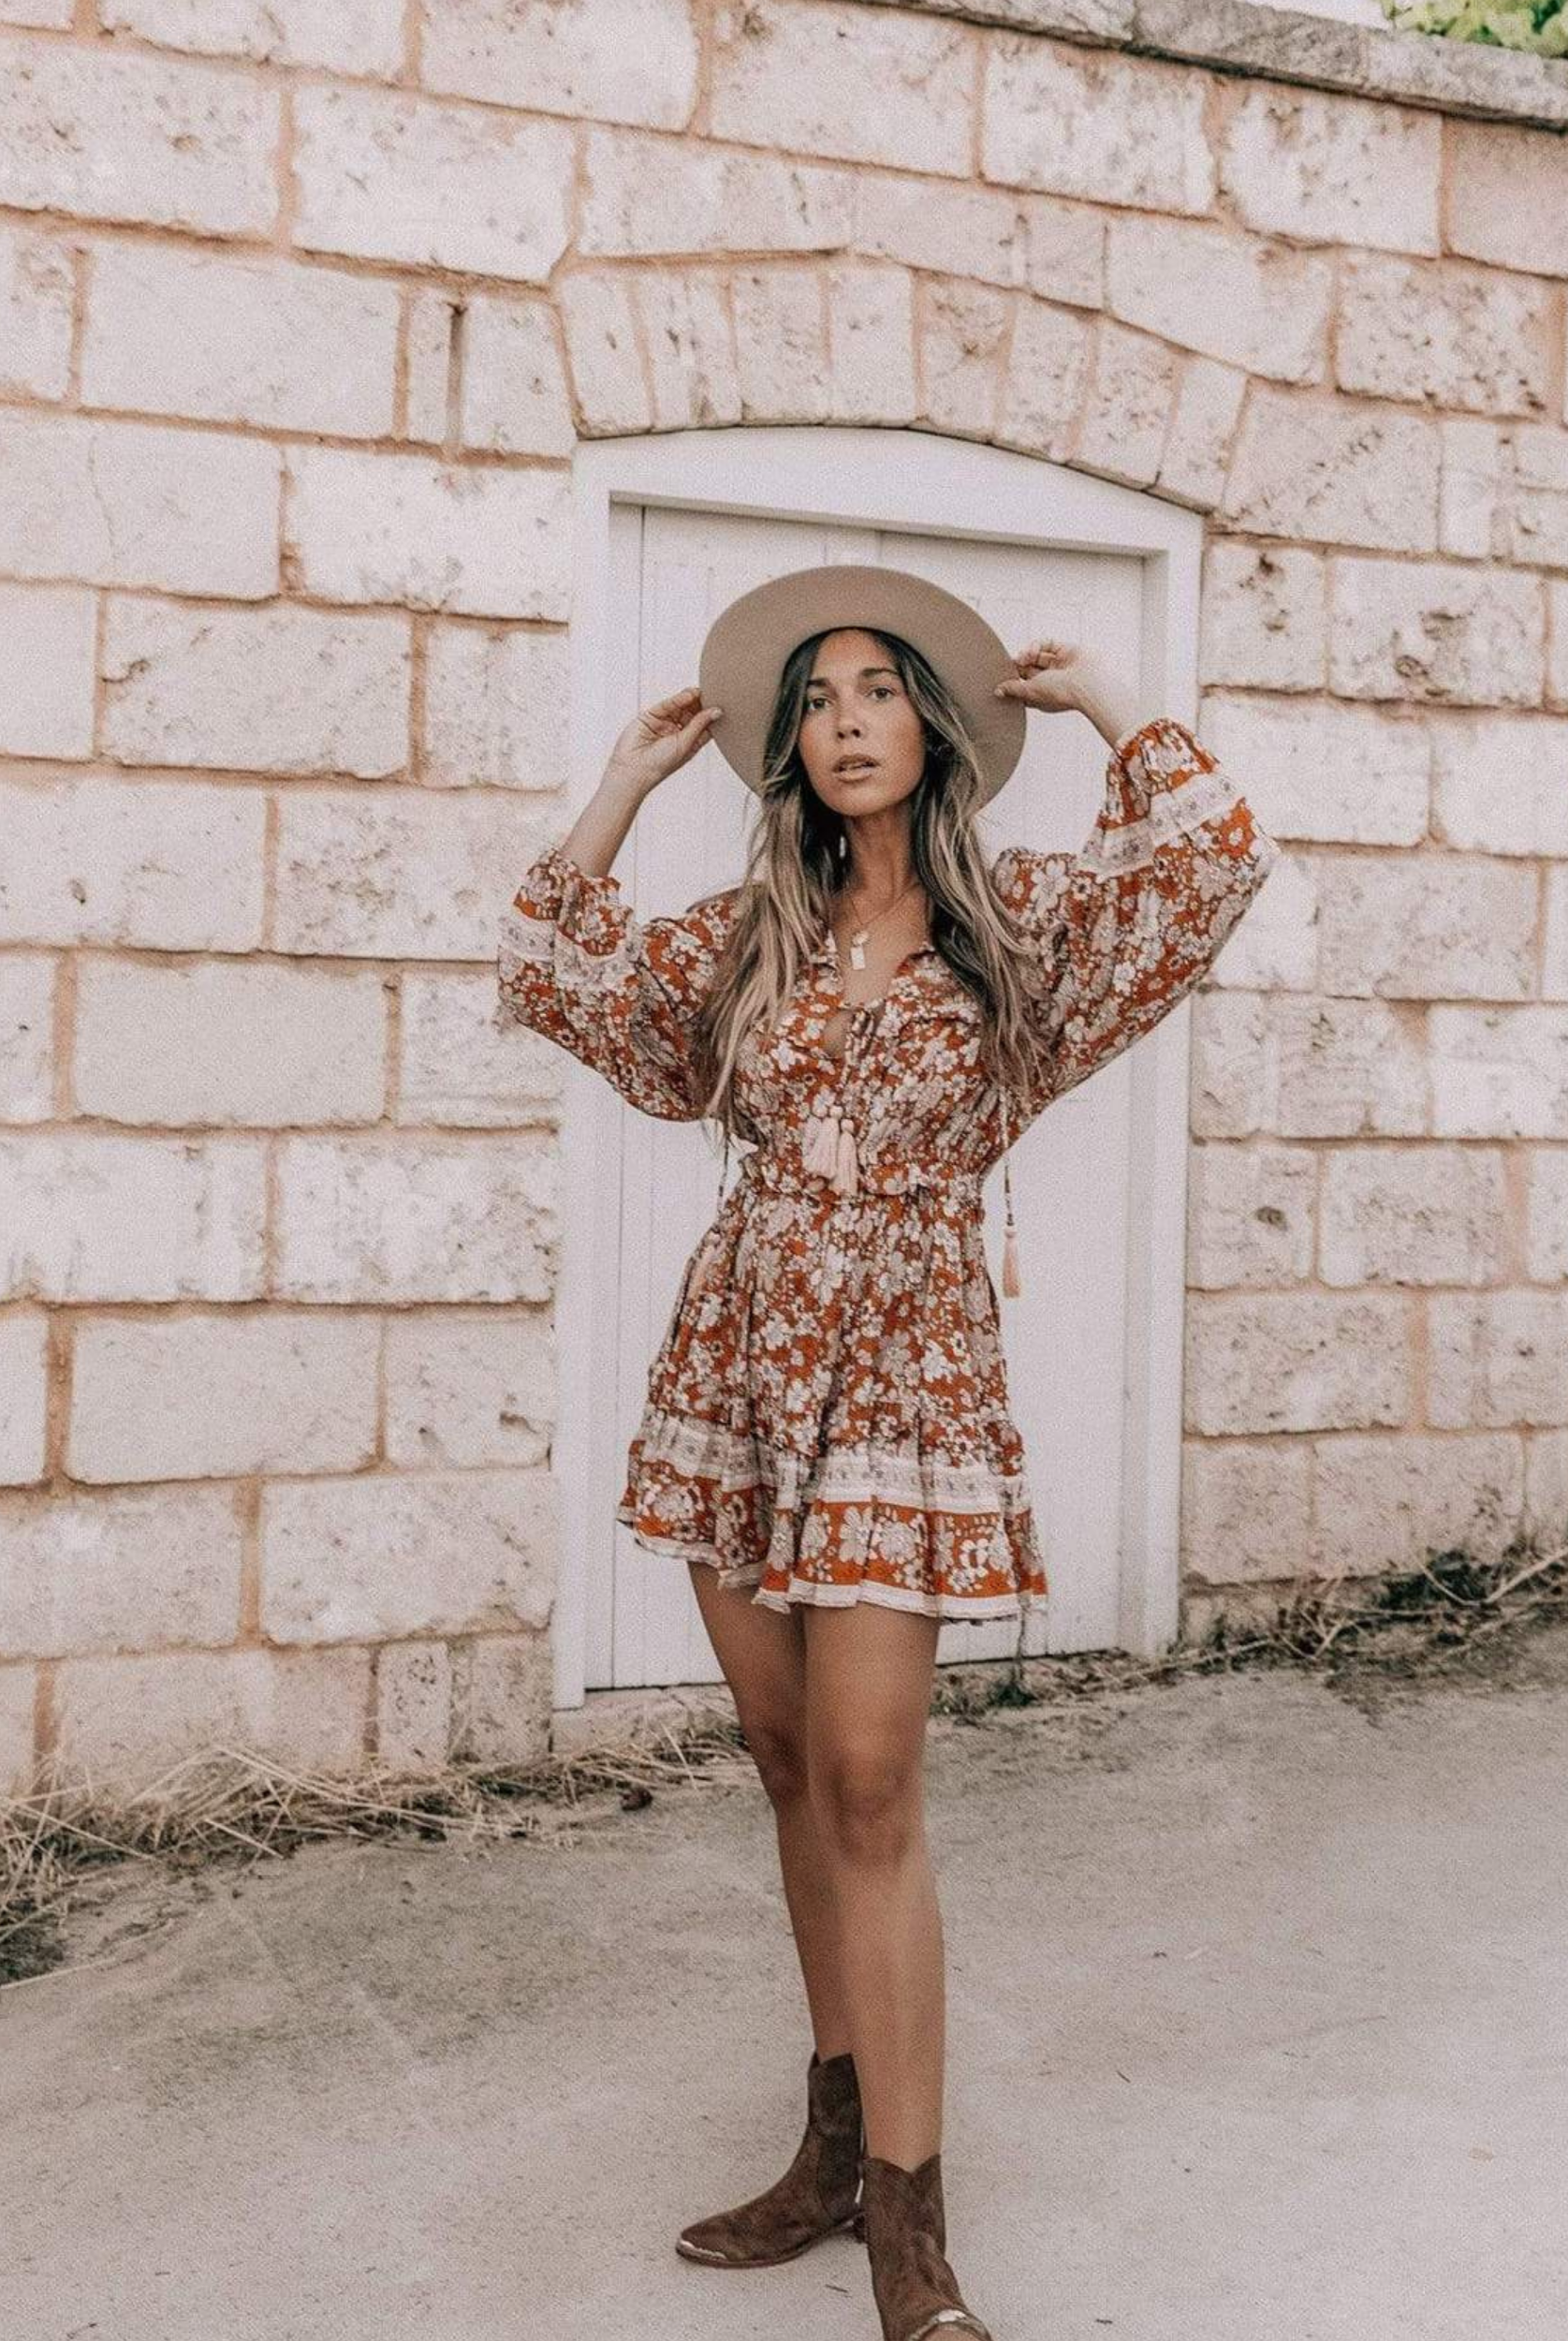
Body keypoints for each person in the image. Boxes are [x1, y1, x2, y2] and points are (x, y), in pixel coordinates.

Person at [496, 562, 1280, 2341]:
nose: (845, 724)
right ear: (790, 747)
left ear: (931, 723)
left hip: (908, 1380)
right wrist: (620, 784)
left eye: (876, 691)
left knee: (868, 1781)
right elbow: (555, 973)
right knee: (782, 1758)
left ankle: (914, 2233)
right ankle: (832, 2150)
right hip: (740, 1369)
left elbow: (1220, 858)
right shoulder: (745, 929)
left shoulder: (1024, 927)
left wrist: (1107, 702)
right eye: (817, 702)